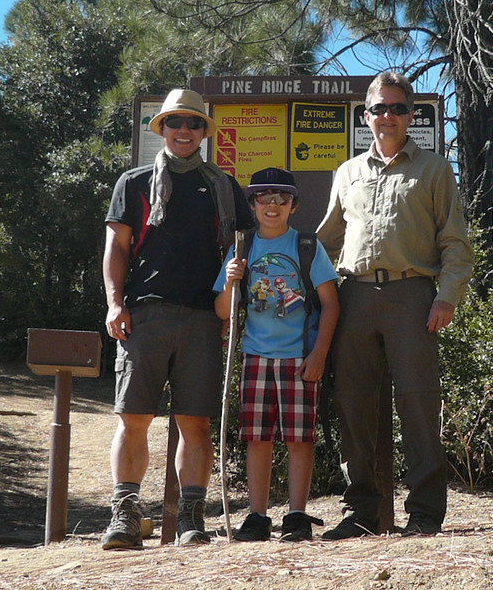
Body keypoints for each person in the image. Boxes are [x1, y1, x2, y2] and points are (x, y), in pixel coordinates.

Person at [317, 71, 474, 539]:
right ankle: (361, 511)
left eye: (397, 108)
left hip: (413, 298)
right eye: (380, 108)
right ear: (366, 116)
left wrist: (446, 297)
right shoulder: (347, 173)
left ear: (410, 115)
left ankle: (424, 513)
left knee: (419, 404)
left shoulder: (434, 169)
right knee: (352, 404)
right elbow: (326, 242)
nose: (388, 116)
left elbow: (455, 243)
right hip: (354, 297)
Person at [101, 88, 256, 549]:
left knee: (196, 423)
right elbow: (117, 248)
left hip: (204, 319)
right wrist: (114, 302)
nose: (184, 130)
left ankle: (191, 518)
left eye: (193, 123)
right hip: (144, 315)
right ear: (162, 129)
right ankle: (125, 516)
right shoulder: (133, 182)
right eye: (175, 122)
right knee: (133, 418)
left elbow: (240, 252)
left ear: (204, 131)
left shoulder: (224, 187)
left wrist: (229, 308)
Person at [213, 167, 339, 542]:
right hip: (255, 356)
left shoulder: (306, 246)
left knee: (299, 439)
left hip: (299, 358)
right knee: (258, 438)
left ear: (293, 205)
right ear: (252, 204)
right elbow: (222, 310)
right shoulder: (242, 249)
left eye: (281, 198)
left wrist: (319, 354)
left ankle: (297, 515)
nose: (273, 205)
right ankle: (257, 516)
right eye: (264, 198)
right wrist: (231, 280)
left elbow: (331, 304)